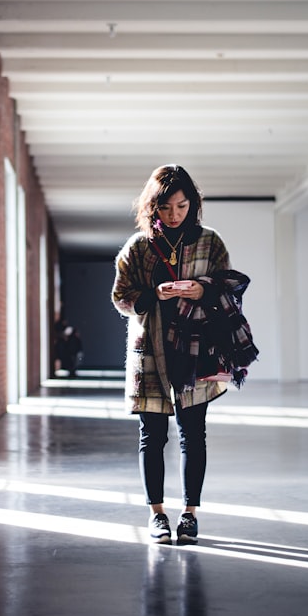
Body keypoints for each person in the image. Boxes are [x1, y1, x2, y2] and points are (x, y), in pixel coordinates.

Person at [111, 164, 242, 545]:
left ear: (193, 204)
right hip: (149, 352)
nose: (174, 215)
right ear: (153, 207)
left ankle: (189, 514)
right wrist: (154, 295)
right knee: (151, 435)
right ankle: (156, 515)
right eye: (166, 208)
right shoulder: (138, 247)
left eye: (182, 207)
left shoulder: (210, 242)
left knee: (193, 434)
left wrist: (201, 290)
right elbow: (120, 297)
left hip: (196, 348)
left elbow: (227, 286)